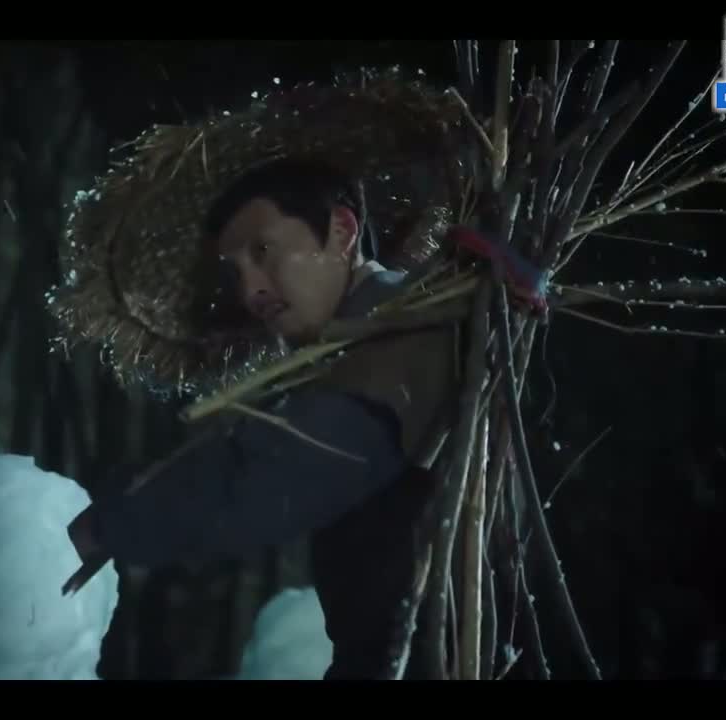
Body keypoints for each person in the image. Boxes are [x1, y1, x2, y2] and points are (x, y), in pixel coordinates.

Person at [49, 69, 468, 680]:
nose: (250, 289)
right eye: (235, 272)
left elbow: (263, 480)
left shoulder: (408, 330)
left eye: (264, 252)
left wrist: (103, 528)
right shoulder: (366, 339)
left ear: (342, 230)